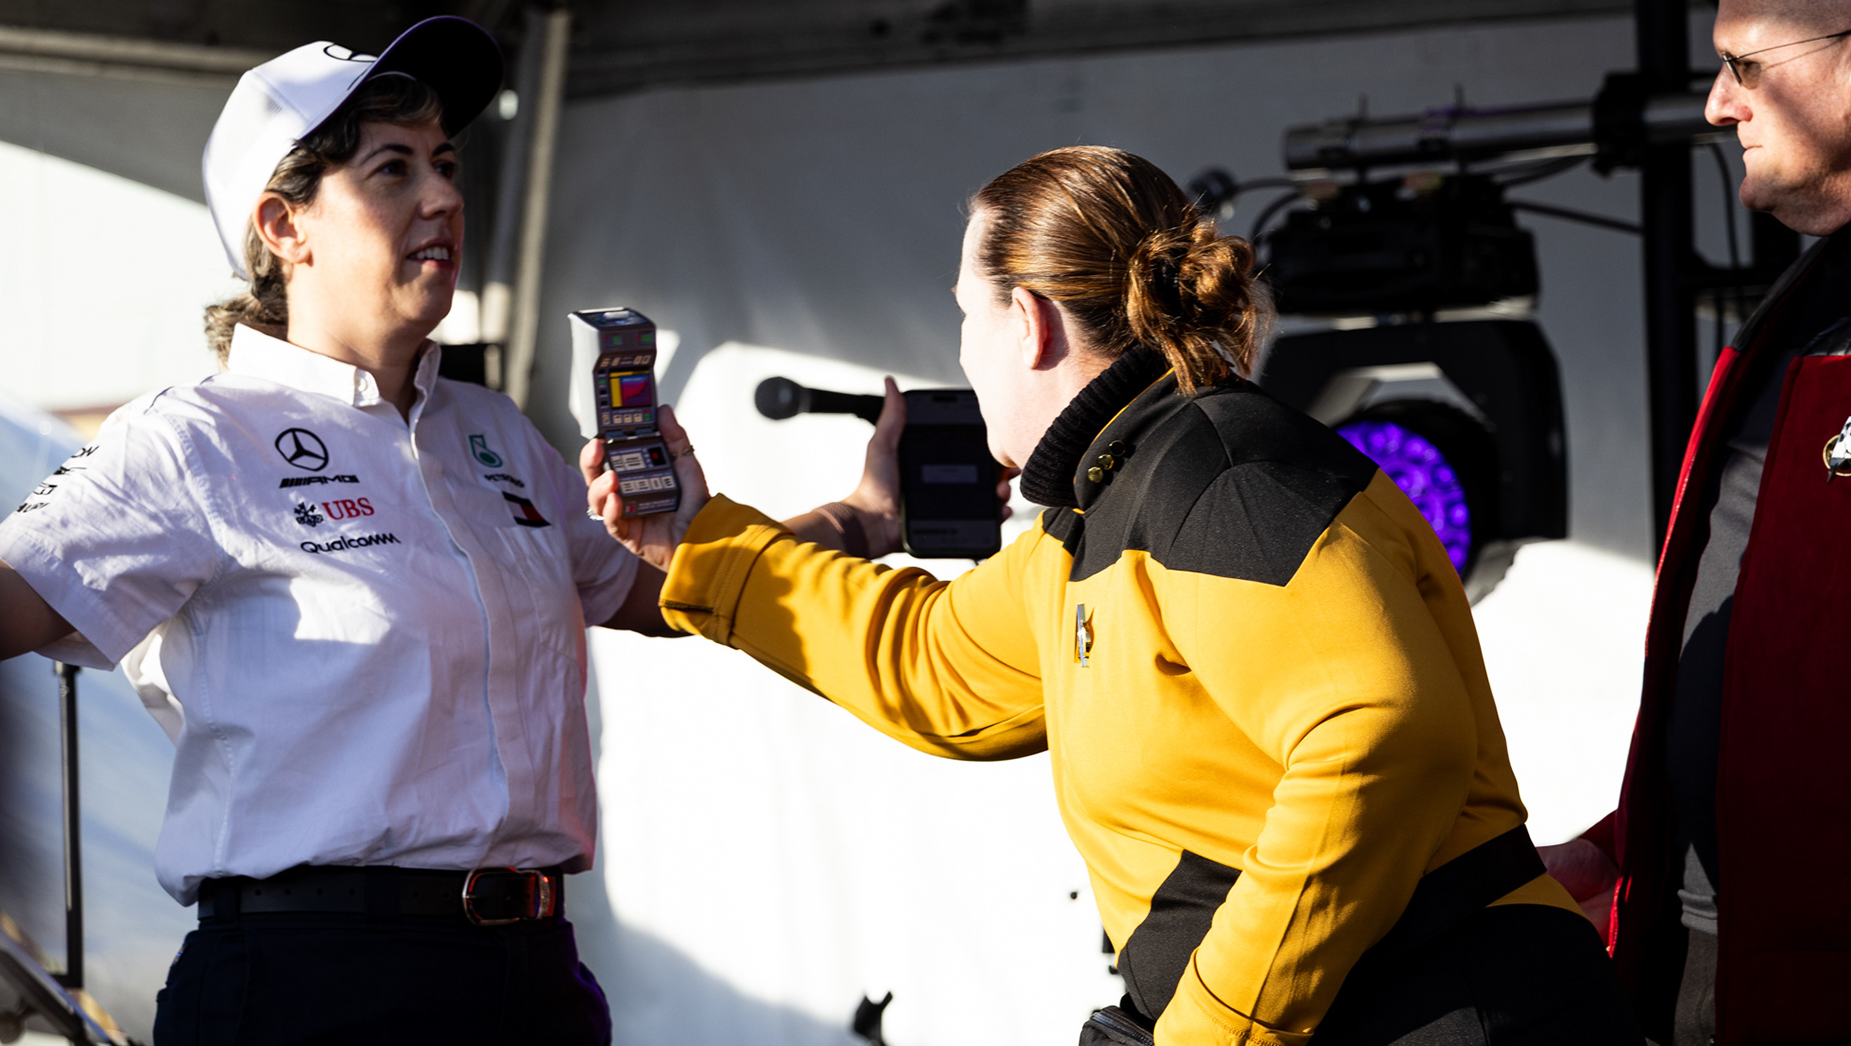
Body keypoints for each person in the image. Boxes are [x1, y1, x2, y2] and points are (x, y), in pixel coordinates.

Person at [592, 146, 1641, 1045]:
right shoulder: (1101, 512)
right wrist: (697, 541)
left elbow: (1381, 736)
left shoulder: (1222, 472)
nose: (960, 351)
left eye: (964, 314)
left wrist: (1213, 1024)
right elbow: (932, 660)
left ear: (1030, 323)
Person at [0, 17, 860, 1044]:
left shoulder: (495, 432)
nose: (443, 196)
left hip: (532, 974)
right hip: (311, 986)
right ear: (284, 225)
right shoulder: (194, 439)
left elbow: (669, 589)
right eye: (392, 169)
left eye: (445, 163)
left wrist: (861, 517)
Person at [1536, 0, 1851, 1046]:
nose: (1717, 102)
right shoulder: (1810, 298)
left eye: (1745, 63)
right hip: (1699, 961)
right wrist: (1618, 849)